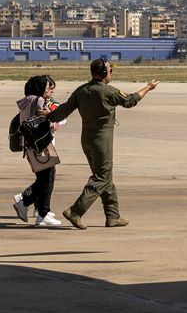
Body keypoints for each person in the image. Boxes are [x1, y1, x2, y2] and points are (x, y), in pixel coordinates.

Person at [44, 58, 159, 229]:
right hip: (101, 140)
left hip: (86, 140)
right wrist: (148, 88)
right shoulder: (107, 91)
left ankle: (112, 216)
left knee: (105, 177)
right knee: (102, 177)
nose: (110, 74)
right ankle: (76, 211)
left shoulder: (81, 91)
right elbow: (130, 101)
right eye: (109, 71)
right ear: (104, 73)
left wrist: (49, 115)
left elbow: (63, 110)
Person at [12, 74, 63, 227]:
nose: (49, 91)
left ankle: (41, 211)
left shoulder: (26, 101)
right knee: (46, 178)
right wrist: (54, 124)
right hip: (41, 144)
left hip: (29, 145)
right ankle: (25, 202)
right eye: (47, 88)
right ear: (40, 88)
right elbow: (42, 120)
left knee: (45, 177)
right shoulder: (39, 100)